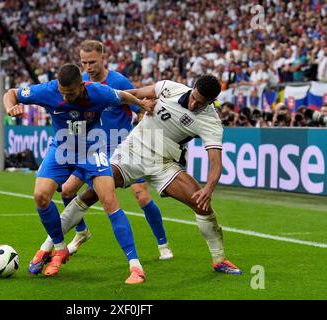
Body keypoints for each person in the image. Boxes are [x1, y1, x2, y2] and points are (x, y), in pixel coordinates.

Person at [48, 74, 242, 275]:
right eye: (194, 97)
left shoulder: (211, 122)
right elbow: (132, 94)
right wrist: (138, 103)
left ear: (211, 102)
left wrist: (208, 189)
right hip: (132, 153)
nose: (193, 104)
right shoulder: (169, 88)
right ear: (192, 88)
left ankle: (219, 260)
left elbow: (215, 161)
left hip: (163, 163)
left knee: (202, 204)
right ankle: (47, 247)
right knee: (90, 194)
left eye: (200, 103)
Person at [3, 63, 155, 284]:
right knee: (41, 196)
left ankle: (135, 266)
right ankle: (60, 247)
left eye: (71, 93)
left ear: (81, 86)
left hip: (93, 150)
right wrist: (10, 107)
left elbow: (122, 96)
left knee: (109, 200)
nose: (67, 97)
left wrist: (141, 104)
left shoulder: (98, 91)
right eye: (63, 93)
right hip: (61, 149)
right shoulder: (48, 90)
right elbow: (12, 94)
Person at [35, 40, 173, 261]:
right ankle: (81, 232)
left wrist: (140, 127)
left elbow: (139, 108)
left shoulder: (118, 81)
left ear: (102, 58)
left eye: (92, 62)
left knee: (142, 196)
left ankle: (162, 243)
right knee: (67, 190)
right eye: (84, 63)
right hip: (92, 150)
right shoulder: (81, 85)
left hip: (122, 149)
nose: (88, 67)